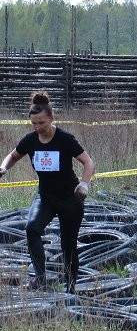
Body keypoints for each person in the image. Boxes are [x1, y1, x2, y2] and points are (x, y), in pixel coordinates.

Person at [0, 92, 95, 293]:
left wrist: (84, 184)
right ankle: (40, 279)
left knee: (68, 245)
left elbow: (88, 162)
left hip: (70, 198)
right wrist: (4, 167)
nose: (37, 127)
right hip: (46, 197)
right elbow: (13, 156)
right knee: (32, 229)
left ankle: (70, 288)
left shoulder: (65, 139)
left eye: (41, 123)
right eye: (33, 123)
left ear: (51, 118)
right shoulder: (30, 140)